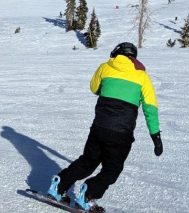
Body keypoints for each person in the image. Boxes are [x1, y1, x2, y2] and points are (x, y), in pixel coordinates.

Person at [47, 42, 162, 212]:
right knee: (112, 169)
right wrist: (156, 136)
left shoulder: (105, 67)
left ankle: (58, 186)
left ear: (116, 54)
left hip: (99, 128)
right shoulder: (142, 76)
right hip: (121, 133)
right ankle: (88, 194)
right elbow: (150, 108)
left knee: (87, 161)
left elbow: (94, 88)